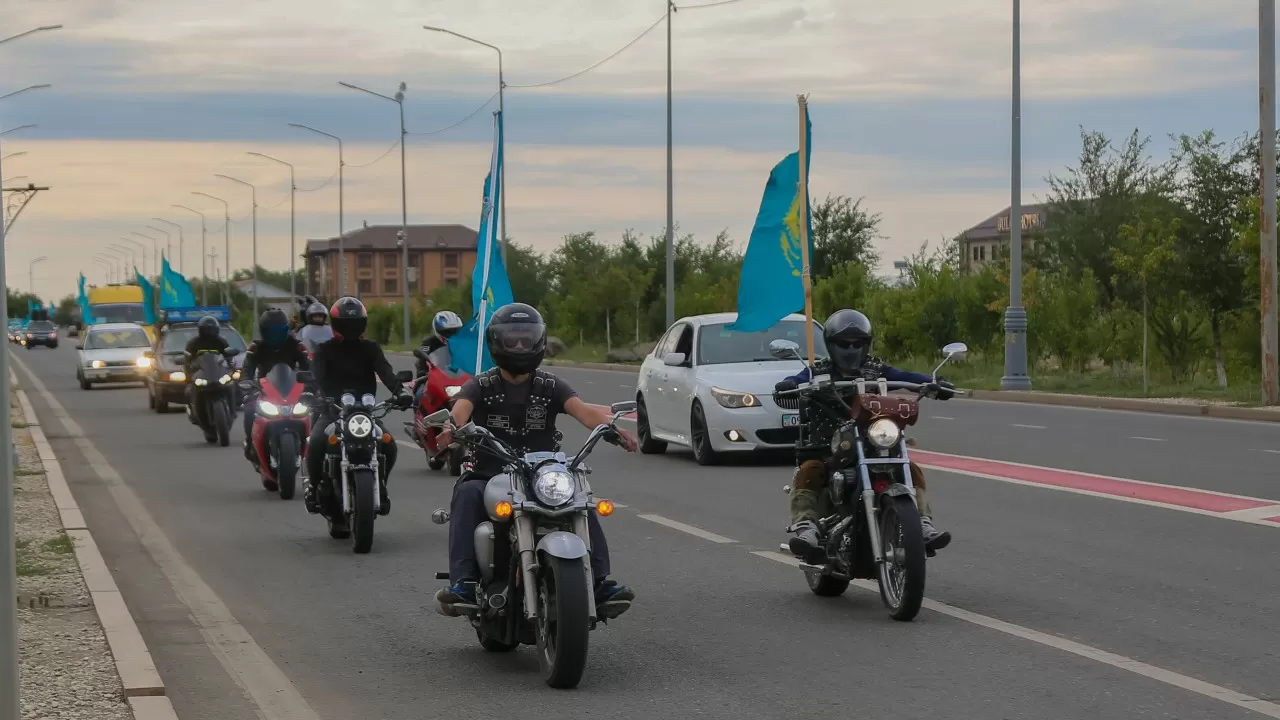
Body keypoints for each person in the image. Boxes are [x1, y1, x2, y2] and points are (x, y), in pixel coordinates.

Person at [434, 303, 638, 615]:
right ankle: (464, 583)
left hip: (541, 473)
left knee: (581, 499)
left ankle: (599, 581)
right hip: (490, 473)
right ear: (496, 343)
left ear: (538, 342)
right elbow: (460, 410)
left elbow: (582, 411)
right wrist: (452, 427)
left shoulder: (550, 385)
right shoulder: (481, 385)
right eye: (511, 340)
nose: (518, 346)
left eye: (525, 340)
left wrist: (611, 429)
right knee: (465, 493)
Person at [775, 308, 955, 562]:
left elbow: (905, 377)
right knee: (810, 470)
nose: (851, 350)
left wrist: (934, 382)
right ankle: (806, 529)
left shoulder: (875, 369)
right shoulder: (819, 371)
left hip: (872, 440)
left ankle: (922, 523)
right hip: (829, 446)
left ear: (866, 344)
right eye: (843, 344)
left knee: (909, 468)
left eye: (857, 344)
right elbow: (798, 377)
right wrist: (789, 384)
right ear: (831, 344)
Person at [304, 297, 413, 527]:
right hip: (332, 411)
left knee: (389, 444)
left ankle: (380, 484)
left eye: (354, 323)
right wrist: (311, 392)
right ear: (336, 323)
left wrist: (400, 391)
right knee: (315, 442)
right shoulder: (325, 350)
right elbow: (315, 377)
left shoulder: (370, 348)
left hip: (364, 412)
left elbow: (386, 372)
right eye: (345, 323)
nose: (350, 328)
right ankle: (315, 487)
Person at [239, 308, 311, 461]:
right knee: (250, 409)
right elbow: (247, 369)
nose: (276, 336)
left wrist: (312, 384)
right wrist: (246, 385)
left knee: (312, 409)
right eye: (272, 332)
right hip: (264, 390)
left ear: (286, 330)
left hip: (292, 389)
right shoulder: (256, 348)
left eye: (279, 331)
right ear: (264, 332)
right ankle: (251, 442)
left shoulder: (296, 345)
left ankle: (311, 443)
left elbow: (309, 367)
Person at [412, 310, 464, 402]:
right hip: (432, 379)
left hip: (457, 378)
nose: (451, 335)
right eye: (447, 332)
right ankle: (419, 415)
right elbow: (421, 359)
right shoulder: (429, 343)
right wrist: (424, 373)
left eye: (455, 331)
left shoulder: (462, 344)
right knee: (420, 395)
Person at [183, 316, 231, 409]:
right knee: (189, 390)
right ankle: (193, 407)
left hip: (217, 371)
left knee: (231, 384)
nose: (209, 332)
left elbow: (228, 356)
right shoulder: (193, 343)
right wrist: (189, 373)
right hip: (201, 371)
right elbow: (187, 358)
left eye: (212, 329)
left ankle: (232, 407)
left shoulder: (221, 341)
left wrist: (230, 365)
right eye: (206, 329)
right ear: (201, 330)